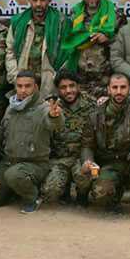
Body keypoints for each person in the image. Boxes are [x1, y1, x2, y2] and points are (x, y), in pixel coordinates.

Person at [0, 70, 64, 213]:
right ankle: (15, 190)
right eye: (19, 86)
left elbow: (55, 124)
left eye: (27, 86)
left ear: (35, 87)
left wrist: (55, 116)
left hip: (35, 164)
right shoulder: (11, 107)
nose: (23, 90)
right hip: (10, 161)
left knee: (14, 175)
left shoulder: (44, 108)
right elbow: (4, 134)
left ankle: (32, 198)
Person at [76, 73, 130, 223]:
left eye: (123, 87)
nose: (119, 91)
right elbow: (87, 145)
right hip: (109, 164)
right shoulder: (95, 114)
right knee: (101, 195)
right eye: (115, 87)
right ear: (108, 89)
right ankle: (119, 193)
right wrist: (88, 161)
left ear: (129, 89)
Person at [39, 70, 96, 205]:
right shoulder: (50, 106)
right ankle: (64, 190)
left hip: (82, 157)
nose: (68, 90)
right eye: (63, 87)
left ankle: (82, 193)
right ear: (58, 89)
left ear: (78, 86)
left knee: (86, 174)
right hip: (60, 158)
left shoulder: (91, 104)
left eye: (72, 86)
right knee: (50, 191)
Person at [5, 0, 67, 99]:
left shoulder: (61, 22)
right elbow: (10, 51)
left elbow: (66, 54)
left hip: (49, 85)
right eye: (35, 0)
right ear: (29, 0)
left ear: (49, 0)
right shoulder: (18, 21)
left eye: (42, 0)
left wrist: (56, 79)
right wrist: (15, 77)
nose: (38, 4)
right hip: (23, 86)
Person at [61, 0, 117, 99]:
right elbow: (69, 40)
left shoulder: (114, 13)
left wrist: (108, 39)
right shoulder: (75, 13)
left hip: (105, 77)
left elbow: (125, 42)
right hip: (79, 77)